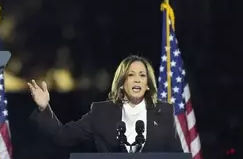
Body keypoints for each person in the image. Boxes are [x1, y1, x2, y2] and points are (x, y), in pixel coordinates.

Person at [27, 55, 184, 153]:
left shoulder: (164, 112)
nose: (137, 79)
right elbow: (62, 136)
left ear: (148, 84)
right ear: (122, 83)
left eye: (142, 75)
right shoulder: (101, 112)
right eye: (131, 75)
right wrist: (44, 107)